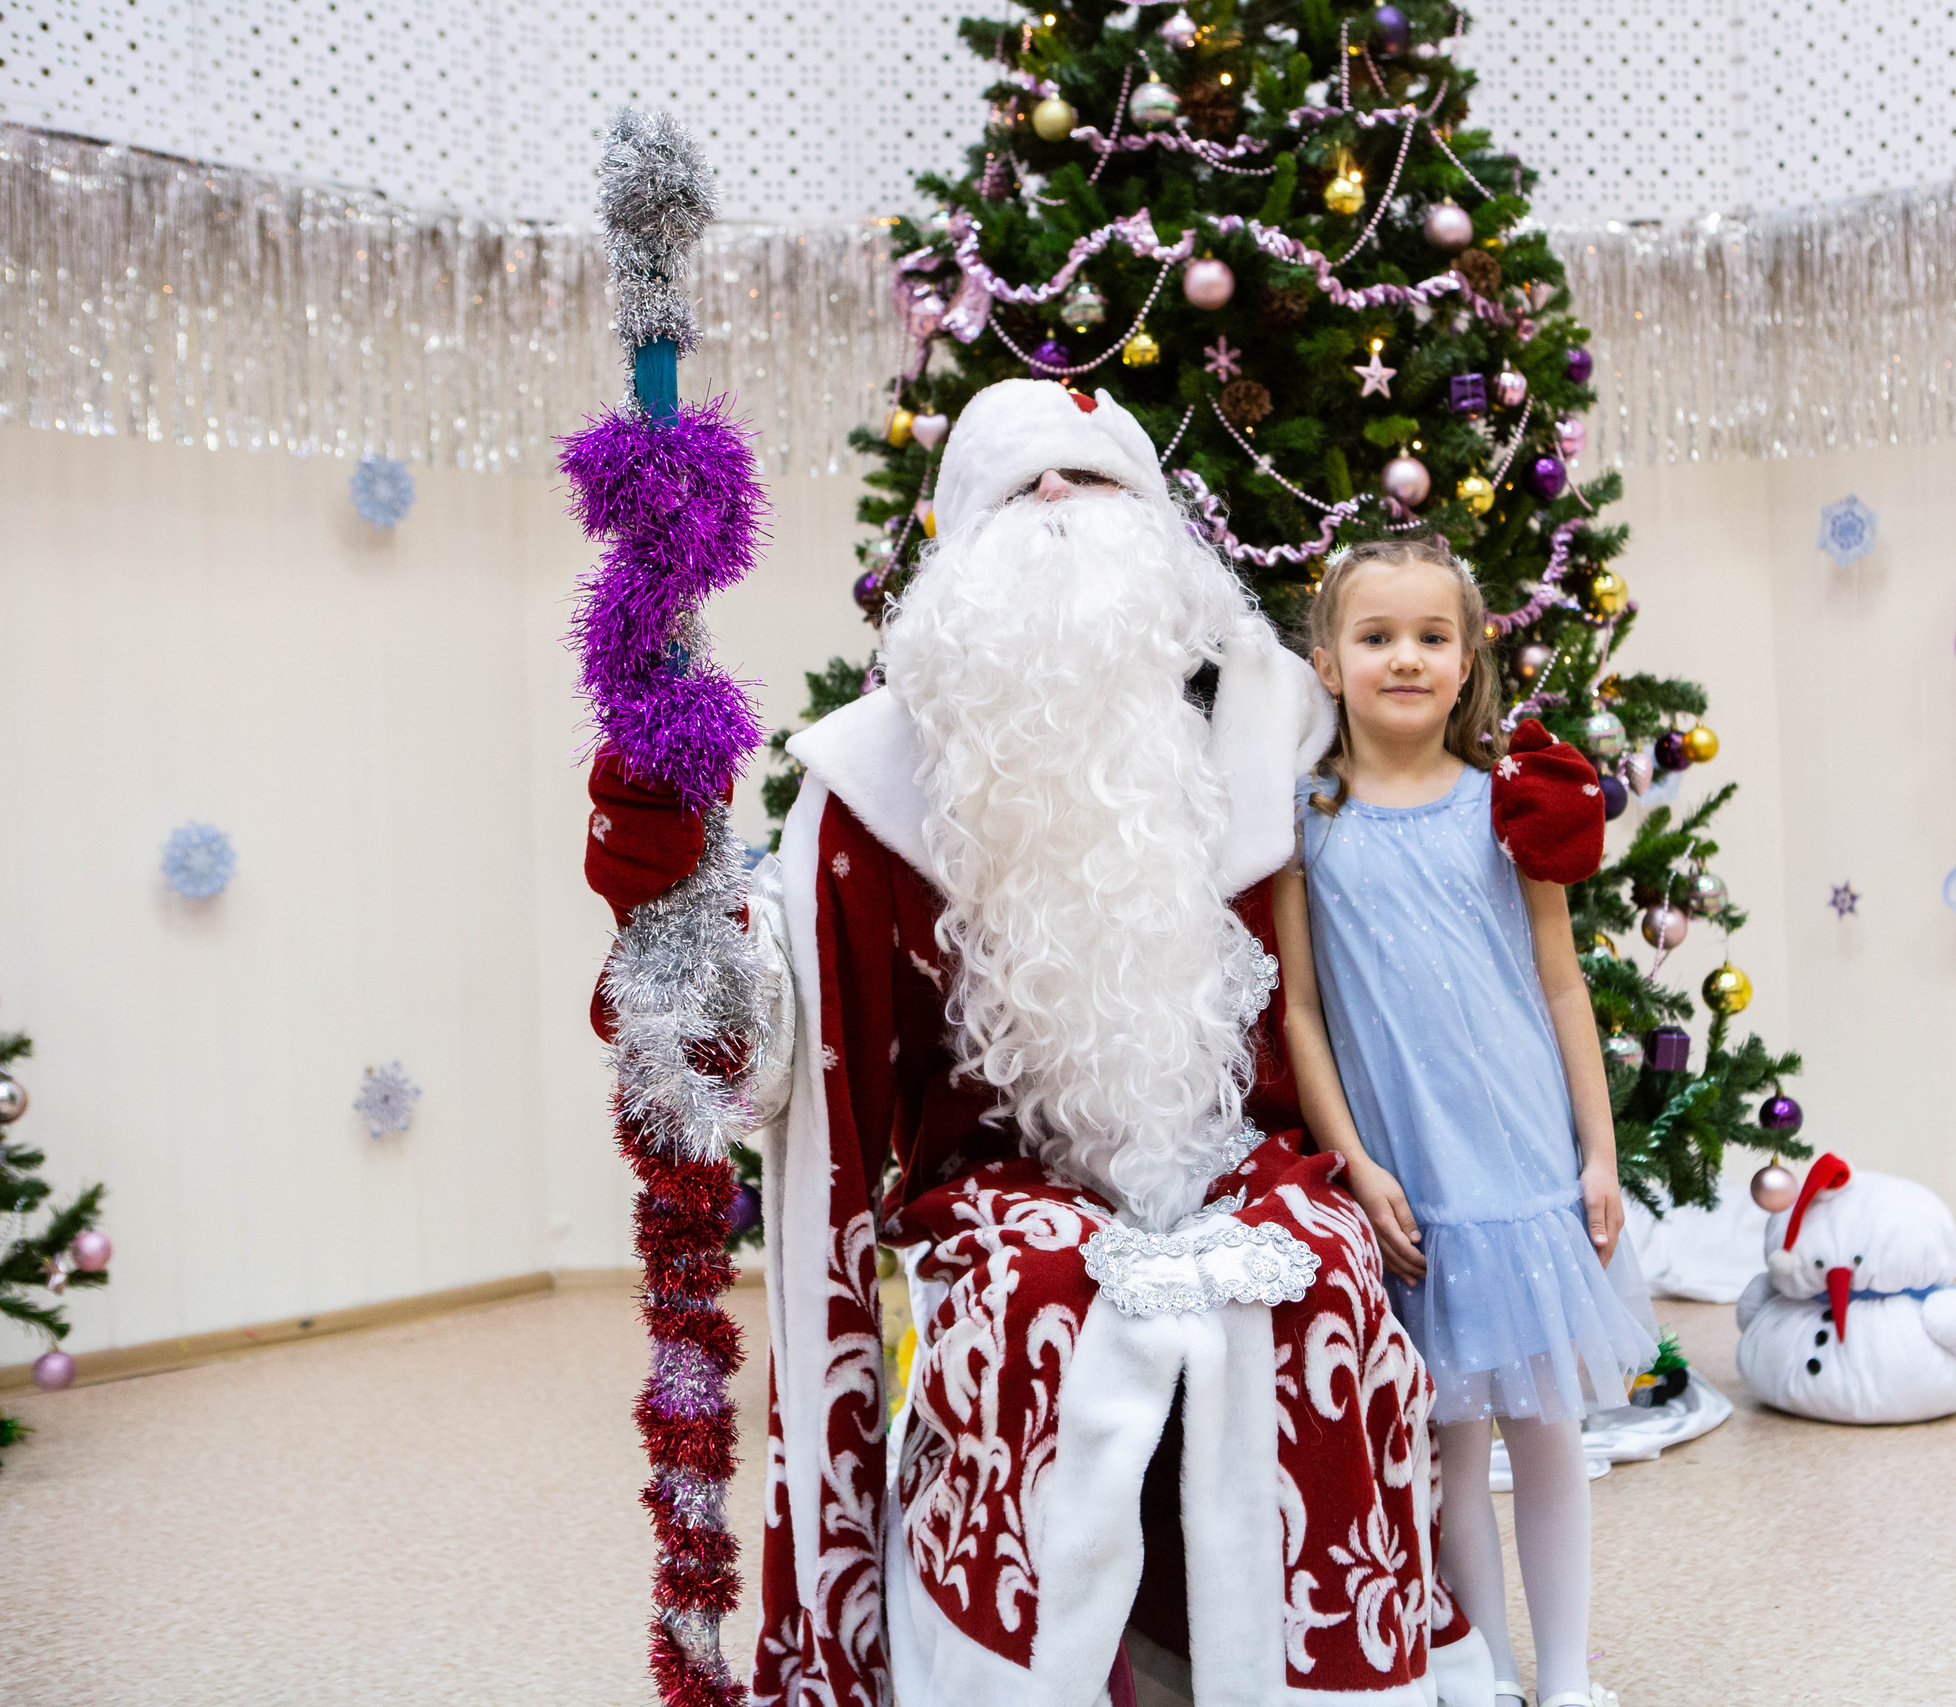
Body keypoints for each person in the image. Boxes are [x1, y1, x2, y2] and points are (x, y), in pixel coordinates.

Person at [585, 381, 1497, 1707]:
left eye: (1092, 478)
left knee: (1319, 1273)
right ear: (960, 552)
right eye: (1020, 488)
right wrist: (663, 888)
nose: (1059, 501)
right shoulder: (873, 786)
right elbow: (772, 1049)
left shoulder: (1275, 724)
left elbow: (1406, 913)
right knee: (1045, 1293)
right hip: (1004, 1177)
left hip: (1237, 1153)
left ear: (1164, 532)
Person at [1272, 537, 1659, 1707]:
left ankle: (1570, 1675)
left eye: (1431, 637)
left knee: (1543, 1429)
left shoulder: (1515, 802)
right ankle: (1480, 1665)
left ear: (1469, 655)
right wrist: (1356, 1162)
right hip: (1413, 1178)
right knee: (1446, 1443)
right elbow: (1299, 1010)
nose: (1405, 657)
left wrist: (1597, 1150)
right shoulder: (1304, 817)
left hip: (1527, 1165)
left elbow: (1560, 983)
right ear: (1327, 663)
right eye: (1375, 637)